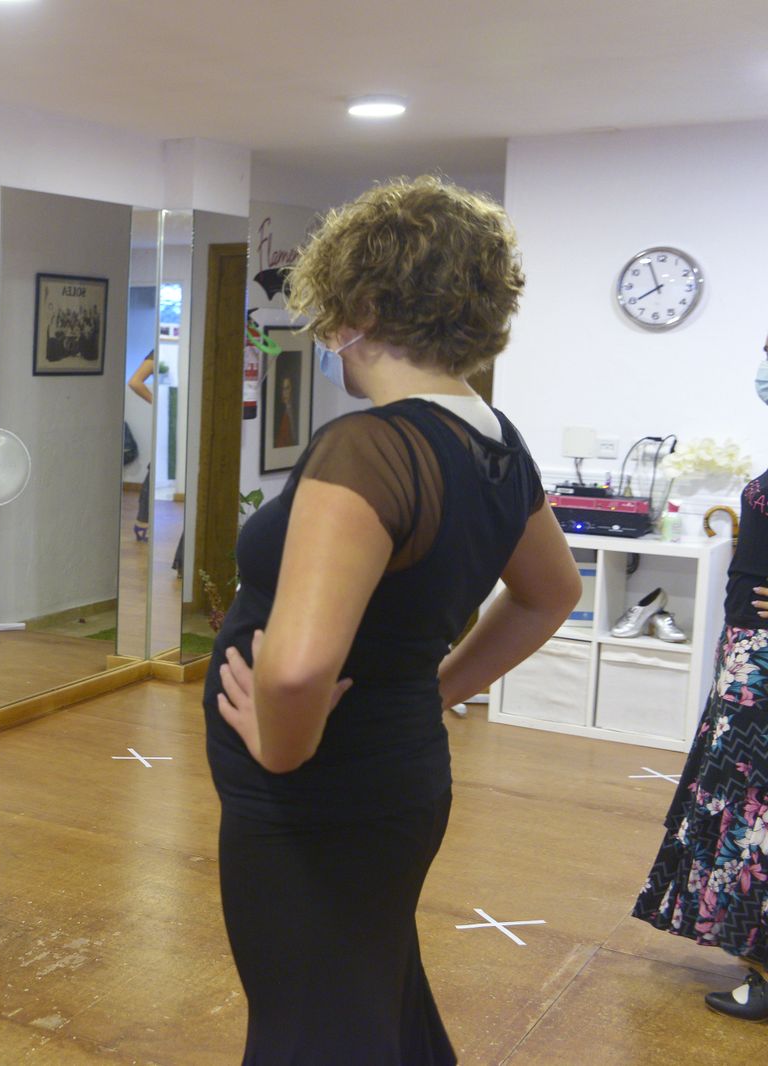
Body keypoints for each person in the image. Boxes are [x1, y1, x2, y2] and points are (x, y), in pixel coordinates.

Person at [206, 177, 581, 1063]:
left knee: (310, 1025)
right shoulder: (494, 442)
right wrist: (436, 688)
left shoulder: (369, 446)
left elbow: (296, 672)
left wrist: (281, 744)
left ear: (364, 304)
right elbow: (551, 594)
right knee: (368, 992)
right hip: (399, 772)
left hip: (317, 793)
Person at [632, 332, 768, 1022]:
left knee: (756, 814)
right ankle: (756, 956)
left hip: (761, 673)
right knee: (745, 810)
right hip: (749, 667)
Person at [128, 351, 156, 540]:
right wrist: (158, 403)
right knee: (154, 469)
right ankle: (143, 521)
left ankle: (142, 522)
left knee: (154, 468)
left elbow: (135, 382)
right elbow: (135, 382)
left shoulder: (156, 352)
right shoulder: (157, 353)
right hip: (171, 413)